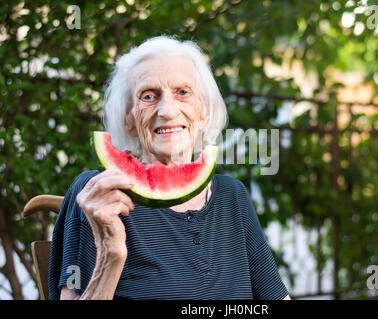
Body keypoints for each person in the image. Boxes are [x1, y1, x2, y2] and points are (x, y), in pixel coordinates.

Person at [48, 36, 290, 300]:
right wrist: (110, 254)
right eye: (149, 96)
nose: (168, 111)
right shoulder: (98, 195)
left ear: (204, 110)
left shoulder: (233, 196)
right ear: (127, 117)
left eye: (183, 93)